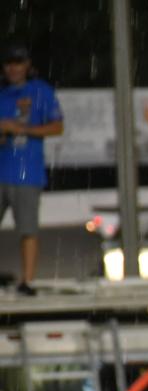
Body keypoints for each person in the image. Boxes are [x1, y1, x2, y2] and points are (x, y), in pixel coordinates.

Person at [0, 41, 63, 296]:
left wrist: (23, 129)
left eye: (18, 63)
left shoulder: (41, 91)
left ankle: (27, 280)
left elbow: (57, 127)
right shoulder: (2, 94)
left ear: (27, 65)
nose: (13, 68)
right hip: (2, 170)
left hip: (27, 173)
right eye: (9, 63)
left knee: (28, 228)